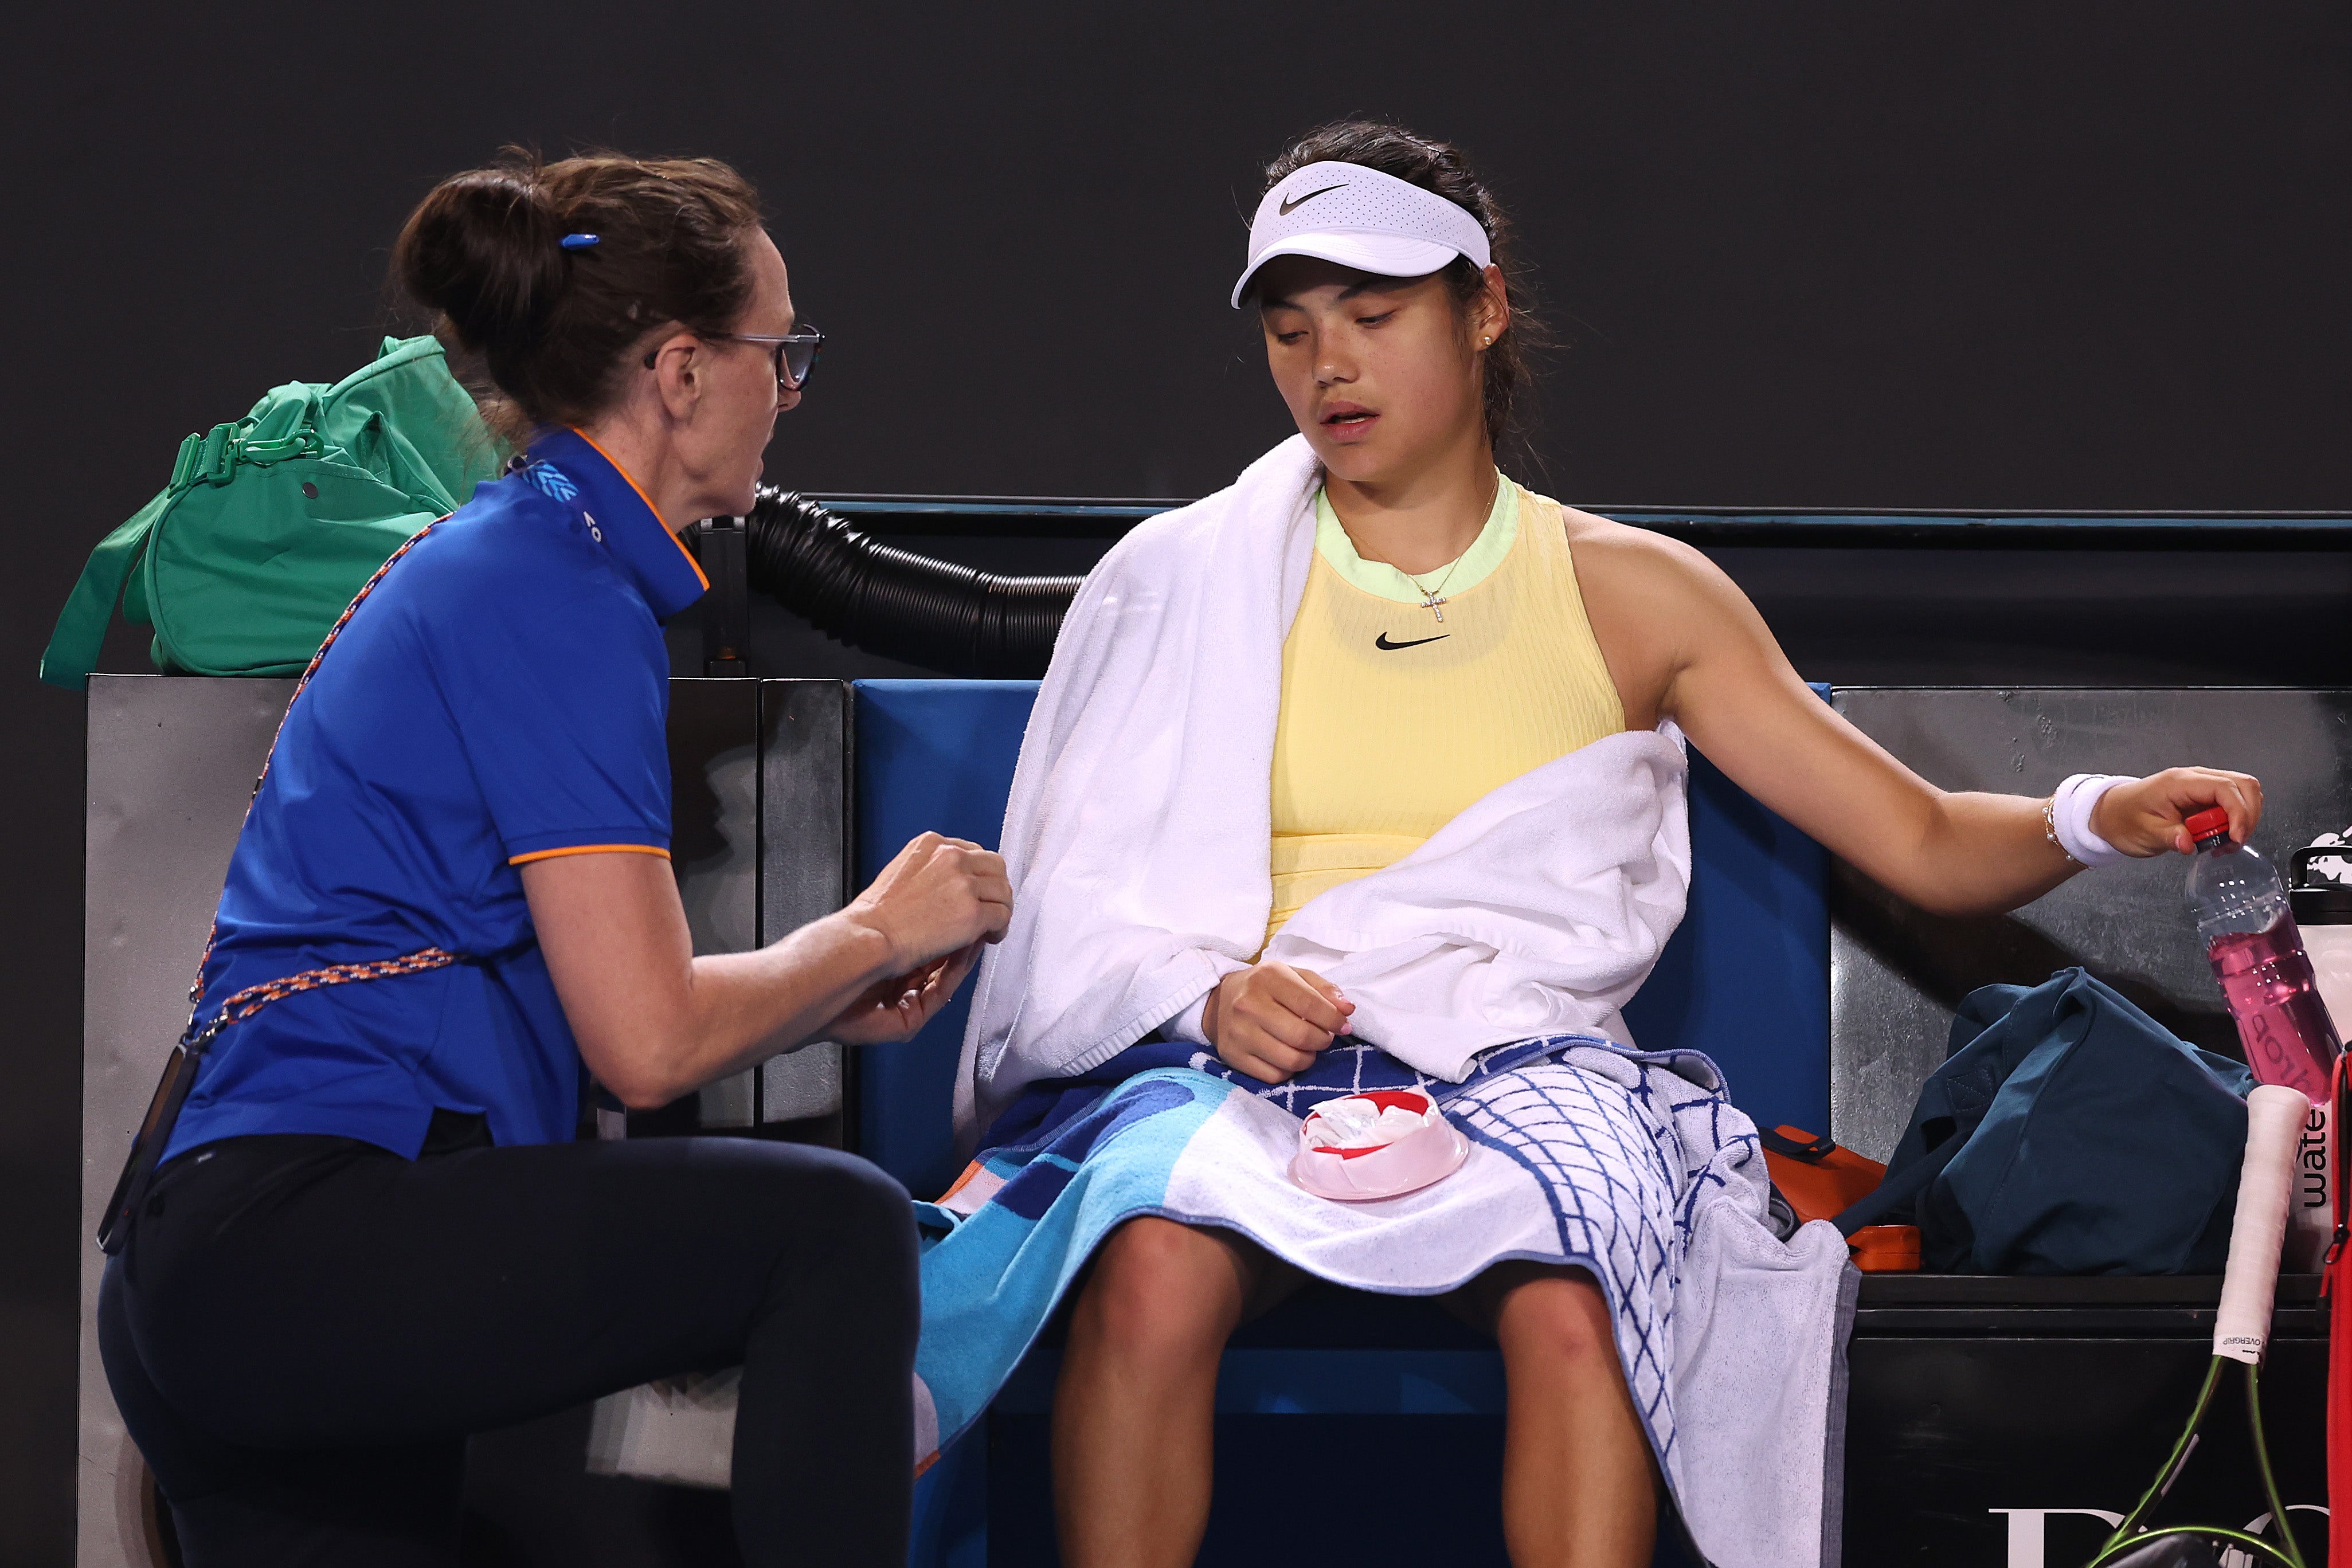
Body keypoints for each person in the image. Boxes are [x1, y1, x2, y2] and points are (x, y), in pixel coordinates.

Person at [925, 122, 2268, 1568]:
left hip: (1516, 1059)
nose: (1329, 366)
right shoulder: (1181, 578)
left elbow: (1925, 840)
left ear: (1483, 308)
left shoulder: (1638, 595)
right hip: (1231, 1059)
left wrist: (2097, 812)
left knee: (1583, 1302)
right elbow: (1082, 905)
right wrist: (1199, 998)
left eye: (1374, 319)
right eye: (1292, 329)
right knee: (1149, 1276)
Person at [97, 150, 1009, 1567]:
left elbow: (594, 988)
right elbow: (645, 1043)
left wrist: (822, 986)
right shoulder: (555, 588)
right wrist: (877, 931)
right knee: (830, 1231)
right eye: (785, 351)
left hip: (228, 1275)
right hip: (303, 1239)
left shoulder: (516, 555)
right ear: (684, 369)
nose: (793, 390)